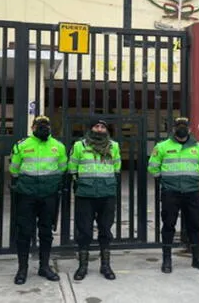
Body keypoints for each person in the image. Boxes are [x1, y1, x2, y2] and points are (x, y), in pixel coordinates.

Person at [147, 116, 199, 274]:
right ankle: (167, 260)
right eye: (178, 126)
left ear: (190, 129)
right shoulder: (161, 146)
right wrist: (166, 181)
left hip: (192, 192)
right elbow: (153, 168)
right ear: (173, 129)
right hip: (171, 192)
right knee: (168, 225)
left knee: (194, 225)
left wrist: (191, 180)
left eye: (184, 126)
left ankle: (197, 259)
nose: (181, 128)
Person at [9, 116, 68, 285]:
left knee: (46, 232)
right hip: (27, 194)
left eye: (46, 125)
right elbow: (14, 170)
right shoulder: (22, 145)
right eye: (39, 124)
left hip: (48, 195)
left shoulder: (58, 146)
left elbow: (63, 168)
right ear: (32, 127)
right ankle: (22, 269)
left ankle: (44, 267)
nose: (43, 127)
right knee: (24, 232)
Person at [68, 118, 121, 281]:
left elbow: (116, 167)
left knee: (105, 230)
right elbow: (72, 168)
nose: (99, 129)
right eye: (96, 126)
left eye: (102, 127)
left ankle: (105, 265)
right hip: (85, 194)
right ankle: (82, 266)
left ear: (106, 130)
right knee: (84, 231)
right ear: (90, 129)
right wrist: (80, 184)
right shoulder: (80, 146)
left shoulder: (114, 146)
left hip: (107, 193)